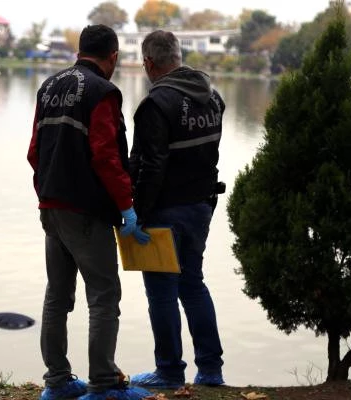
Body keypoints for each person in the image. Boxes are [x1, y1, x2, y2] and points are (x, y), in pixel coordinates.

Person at [27, 24, 151, 400]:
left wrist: (47, 193)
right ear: (113, 56)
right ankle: (102, 385)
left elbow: (34, 150)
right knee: (103, 295)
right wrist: (127, 207)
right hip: (85, 211)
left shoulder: (49, 86)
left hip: (51, 207)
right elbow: (106, 157)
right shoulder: (103, 92)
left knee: (57, 295)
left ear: (80, 50)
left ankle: (58, 381)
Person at [128, 30, 226, 389]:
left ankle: (169, 372)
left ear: (149, 63)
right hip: (201, 207)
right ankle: (211, 370)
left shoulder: (157, 104)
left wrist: (136, 211)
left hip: (165, 210)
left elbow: (150, 165)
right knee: (193, 284)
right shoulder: (213, 98)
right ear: (178, 57)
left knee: (162, 292)